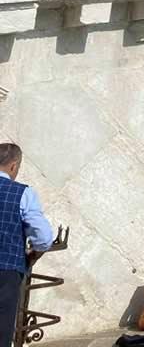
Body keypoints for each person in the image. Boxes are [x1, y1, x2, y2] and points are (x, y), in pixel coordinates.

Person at [0, 143, 53, 347]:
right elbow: (43, 237)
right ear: (14, 166)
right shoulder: (23, 193)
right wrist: (33, 255)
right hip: (7, 270)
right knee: (2, 329)